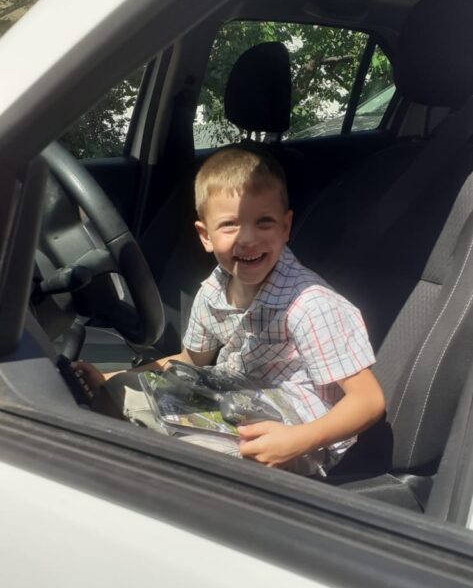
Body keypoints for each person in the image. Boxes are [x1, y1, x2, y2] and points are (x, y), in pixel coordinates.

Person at [76, 148, 385, 475]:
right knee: (115, 396)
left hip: (294, 432)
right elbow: (189, 361)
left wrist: (297, 441)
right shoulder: (212, 292)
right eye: (230, 225)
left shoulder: (310, 304)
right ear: (205, 236)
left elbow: (368, 400)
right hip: (232, 401)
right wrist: (111, 377)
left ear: (285, 226)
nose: (248, 238)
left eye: (264, 222)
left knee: (182, 458)